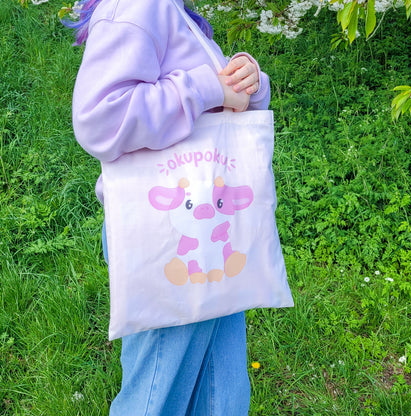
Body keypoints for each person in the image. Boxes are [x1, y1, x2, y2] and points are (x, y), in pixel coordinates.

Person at [66, 0, 271, 414]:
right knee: (156, 395)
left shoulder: (176, 11)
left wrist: (250, 80)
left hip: (215, 232)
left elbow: (215, 105)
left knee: (221, 391)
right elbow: (98, 119)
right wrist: (206, 87)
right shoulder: (139, 5)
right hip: (167, 235)